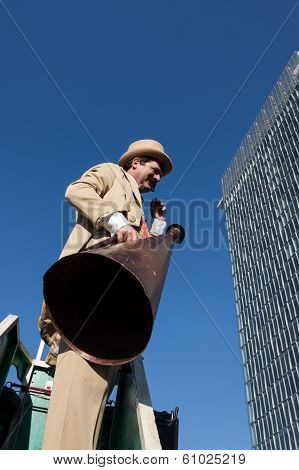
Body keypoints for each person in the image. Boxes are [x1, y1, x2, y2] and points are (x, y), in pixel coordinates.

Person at [40, 139, 173, 449]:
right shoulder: (113, 173)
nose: (156, 179)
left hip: (111, 314)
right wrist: (116, 221)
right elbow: (77, 191)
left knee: (89, 416)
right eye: (154, 171)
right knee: (73, 418)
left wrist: (156, 224)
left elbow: (139, 253)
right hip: (84, 298)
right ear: (136, 162)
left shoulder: (140, 209)